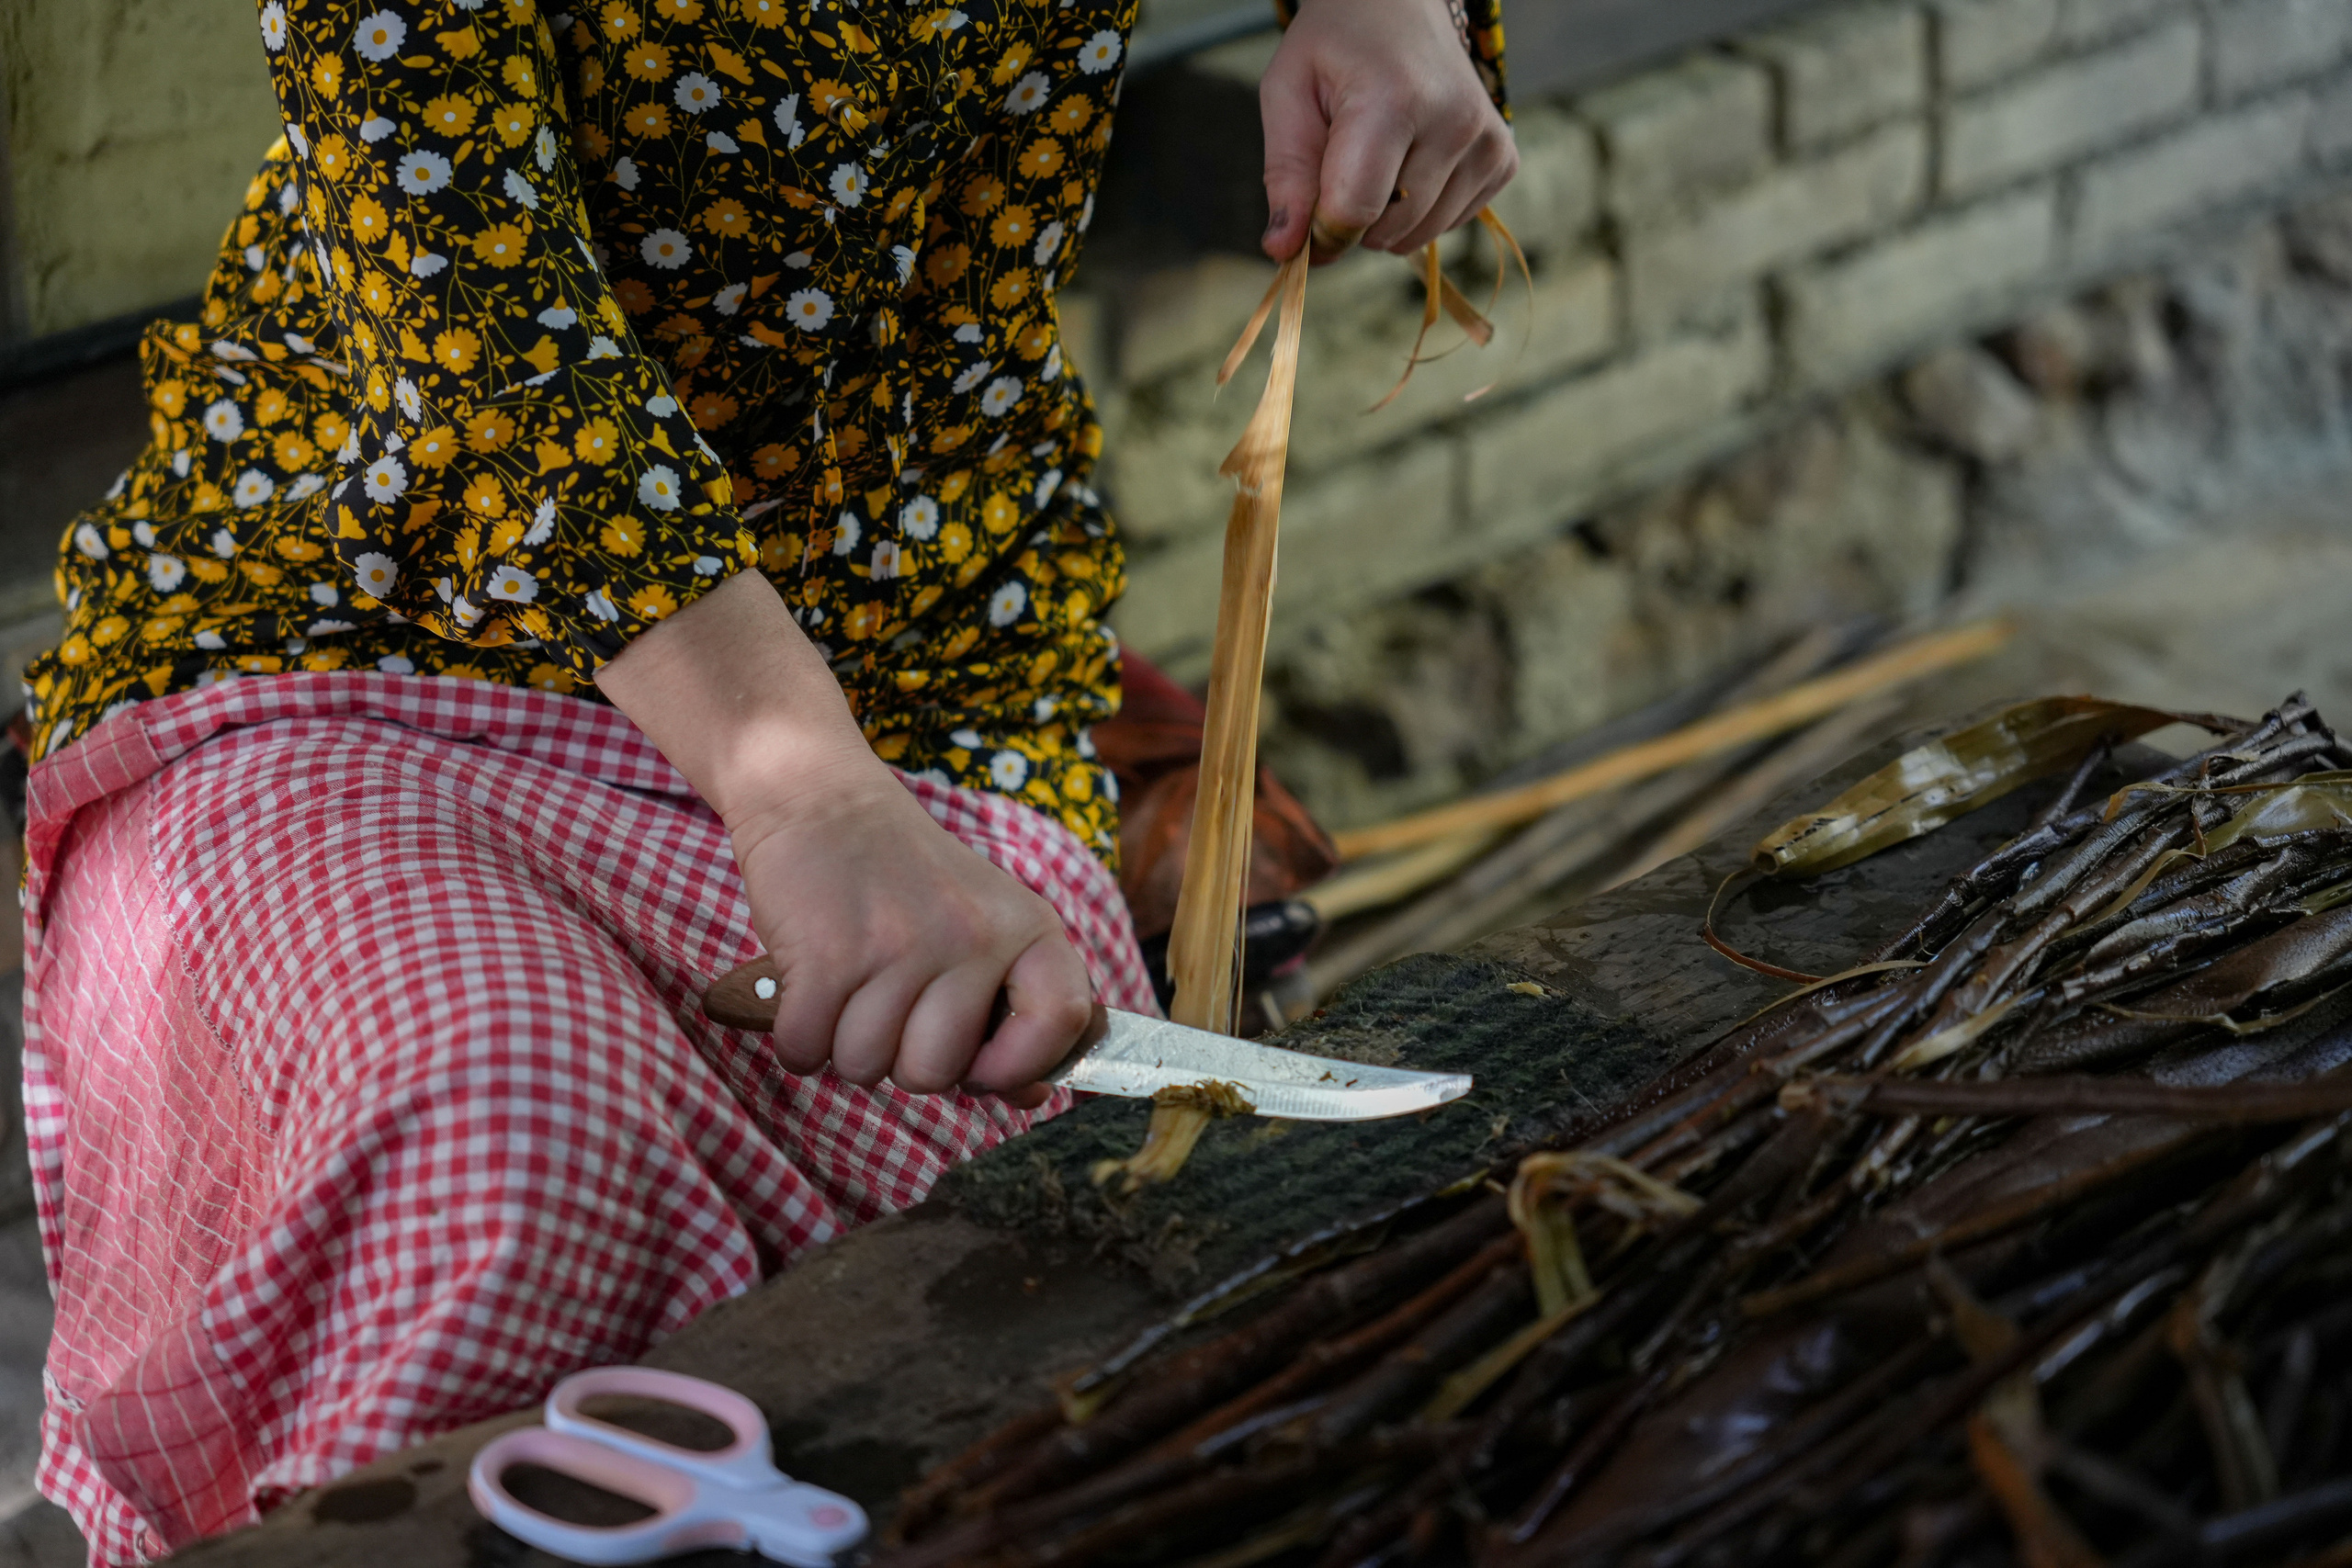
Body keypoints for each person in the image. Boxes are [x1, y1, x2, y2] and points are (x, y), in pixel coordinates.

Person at [16, 0, 1516, 1556]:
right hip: (378, 619)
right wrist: (796, 781)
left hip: (930, 646)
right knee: (512, 1150)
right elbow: (451, 247)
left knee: (1021, 1286)